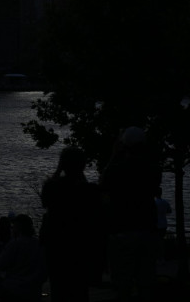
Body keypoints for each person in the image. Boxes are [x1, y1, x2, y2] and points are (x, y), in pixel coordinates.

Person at [100, 126, 161, 302]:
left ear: (124, 146)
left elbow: (102, 184)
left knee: (122, 283)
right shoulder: (154, 169)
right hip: (148, 229)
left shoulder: (116, 169)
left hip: (122, 230)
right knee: (146, 281)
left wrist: (113, 155)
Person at [40, 146, 103, 302]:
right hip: (80, 245)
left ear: (62, 163)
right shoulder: (89, 190)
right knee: (80, 289)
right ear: (82, 165)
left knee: (58, 288)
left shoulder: (52, 187)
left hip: (56, 245)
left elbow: (45, 202)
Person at [0, 214, 46, 302]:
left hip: (14, 289)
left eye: (13, 227)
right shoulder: (39, 245)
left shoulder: (14, 244)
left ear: (18, 229)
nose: (12, 229)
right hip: (34, 291)